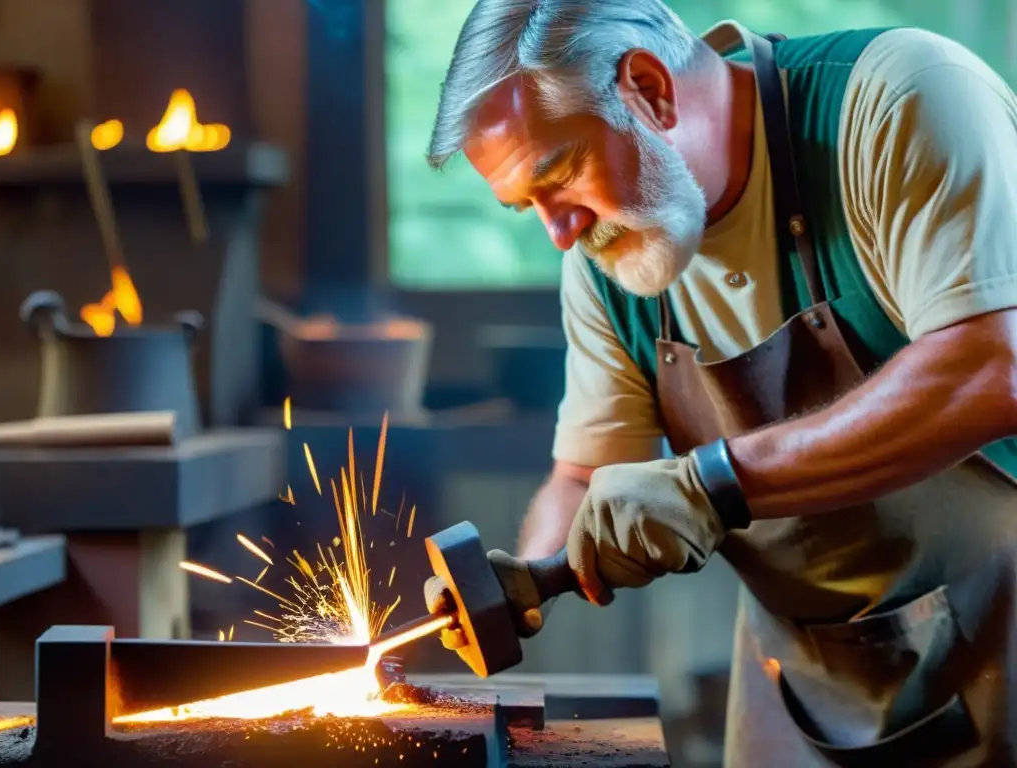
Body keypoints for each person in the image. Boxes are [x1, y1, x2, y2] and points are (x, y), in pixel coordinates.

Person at [422, 1, 1017, 765]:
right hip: (798, 681)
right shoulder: (604, 266)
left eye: (557, 175)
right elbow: (587, 474)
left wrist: (714, 484)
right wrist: (530, 573)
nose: (558, 233)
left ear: (649, 88)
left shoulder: (899, 101)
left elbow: (989, 366)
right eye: (523, 207)